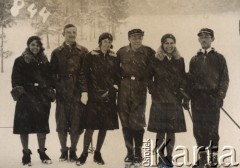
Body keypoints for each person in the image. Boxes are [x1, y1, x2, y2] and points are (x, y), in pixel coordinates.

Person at [76, 32, 119, 166]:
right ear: (100, 42)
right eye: (105, 41)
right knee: (90, 126)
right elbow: (83, 74)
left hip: (109, 96)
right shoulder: (91, 55)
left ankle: (98, 153)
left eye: (109, 41)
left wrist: (114, 87)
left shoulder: (114, 56)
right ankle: (84, 153)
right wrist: (86, 91)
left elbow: (117, 74)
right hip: (94, 96)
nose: (107, 44)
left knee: (103, 126)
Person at [188, 28, 229, 168]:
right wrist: (186, 97)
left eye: (207, 37)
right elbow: (190, 80)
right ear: (199, 40)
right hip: (197, 99)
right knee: (199, 129)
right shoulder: (194, 59)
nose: (204, 39)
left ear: (212, 39)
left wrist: (220, 96)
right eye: (201, 37)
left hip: (212, 99)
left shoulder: (219, 58)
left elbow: (224, 79)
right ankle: (203, 158)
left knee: (212, 129)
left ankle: (213, 158)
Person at [11, 36, 55, 166]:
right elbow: (15, 80)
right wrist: (24, 92)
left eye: (37, 45)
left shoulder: (45, 62)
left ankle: (42, 152)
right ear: (28, 46)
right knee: (23, 127)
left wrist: (48, 92)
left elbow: (50, 79)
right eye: (32, 45)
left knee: (42, 127)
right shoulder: (19, 61)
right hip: (25, 99)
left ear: (41, 47)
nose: (35, 47)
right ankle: (25, 153)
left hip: (42, 99)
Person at [147, 34, 188, 168]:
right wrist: (154, 91)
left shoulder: (179, 60)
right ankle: (160, 158)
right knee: (160, 130)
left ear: (174, 44)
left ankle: (169, 158)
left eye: (171, 43)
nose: (169, 46)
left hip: (174, 99)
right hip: (159, 100)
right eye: (166, 43)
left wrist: (182, 89)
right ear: (162, 44)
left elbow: (183, 77)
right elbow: (148, 78)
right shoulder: (155, 59)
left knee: (171, 130)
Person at [50, 24, 88, 162]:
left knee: (76, 124)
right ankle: (63, 150)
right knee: (61, 124)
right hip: (62, 94)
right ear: (63, 34)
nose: (72, 35)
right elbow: (52, 74)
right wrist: (57, 87)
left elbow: (85, 73)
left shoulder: (83, 51)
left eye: (74, 32)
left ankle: (73, 150)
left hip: (77, 93)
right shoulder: (56, 52)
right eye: (69, 32)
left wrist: (84, 91)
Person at [117, 29, 155, 166]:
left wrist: (151, 86)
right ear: (129, 38)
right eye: (134, 38)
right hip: (124, 88)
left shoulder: (149, 52)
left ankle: (138, 152)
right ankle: (129, 152)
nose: (137, 40)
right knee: (125, 121)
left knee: (137, 121)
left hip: (140, 87)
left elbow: (154, 70)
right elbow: (115, 70)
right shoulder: (121, 52)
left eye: (139, 38)